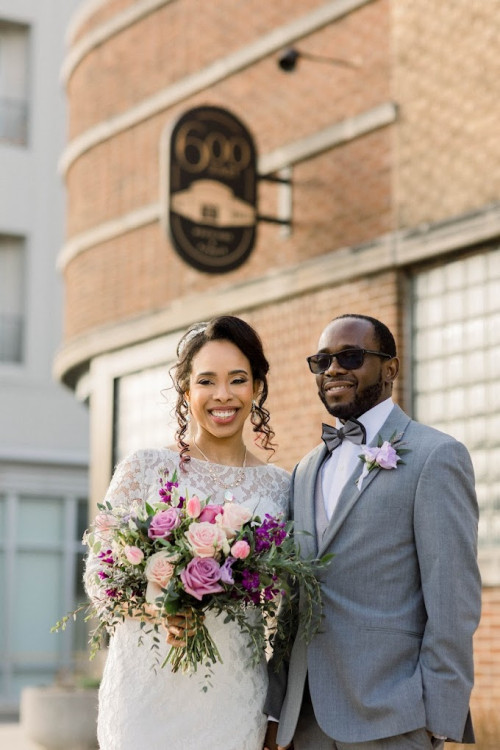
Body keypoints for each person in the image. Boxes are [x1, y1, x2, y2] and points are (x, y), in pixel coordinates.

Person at [264, 313, 481, 750]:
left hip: (393, 716)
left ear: (390, 369)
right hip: (305, 719)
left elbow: (452, 596)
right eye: (321, 361)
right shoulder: (305, 469)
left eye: (351, 356)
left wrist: (439, 715)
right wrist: (276, 704)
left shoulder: (435, 456)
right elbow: (295, 596)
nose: (334, 370)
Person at [84, 315, 290, 750]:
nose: (223, 395)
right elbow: (98, 579)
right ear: (186, 390)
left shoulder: (281, 487)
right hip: (147, 690)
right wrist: (161, 607)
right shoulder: (146, 468)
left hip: (234, 694)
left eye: (238, 380)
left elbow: (287, 602)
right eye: (207, 381)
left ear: (256, 387)